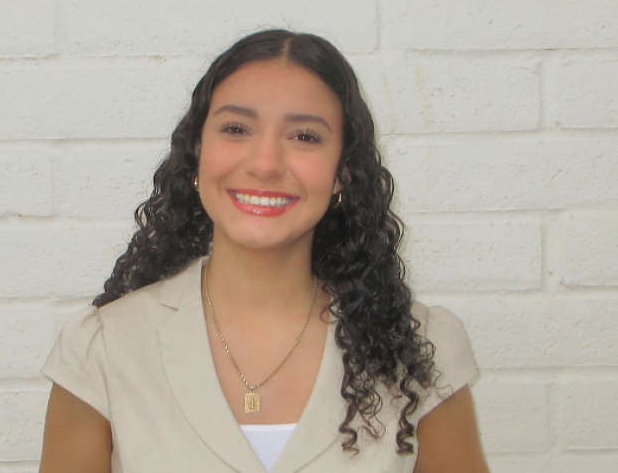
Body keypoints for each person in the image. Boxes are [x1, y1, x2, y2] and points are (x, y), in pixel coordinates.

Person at [38, 29, 489, 473]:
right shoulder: (104, 350)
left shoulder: (421, 349)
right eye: (236, 129)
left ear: (342, 174)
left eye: (305, 137)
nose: (265, 164)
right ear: (197, 154)